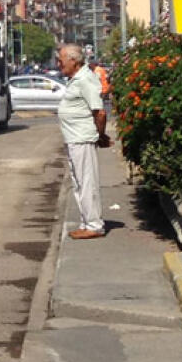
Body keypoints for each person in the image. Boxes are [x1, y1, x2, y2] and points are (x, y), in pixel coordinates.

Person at [56, 45, 110, 240]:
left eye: (61, 59)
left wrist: (100, 135)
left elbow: (100, 111)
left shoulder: (85, 79)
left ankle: (94, 225)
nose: (59, 63)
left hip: (83, 139)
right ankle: (87, 222)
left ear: (74, 61)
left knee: (87, 183)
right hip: (74, 139)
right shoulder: (76, 79)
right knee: (79, 184)